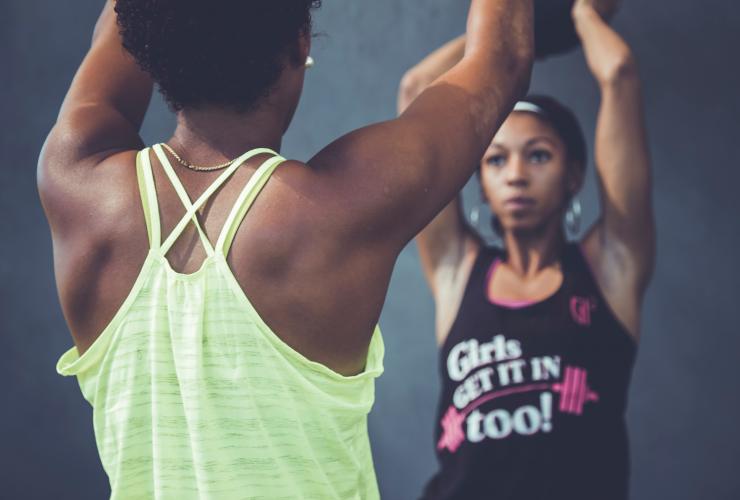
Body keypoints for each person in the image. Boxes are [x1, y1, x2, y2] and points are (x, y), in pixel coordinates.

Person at [37, 0, 533, 498]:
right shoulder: (337, 209)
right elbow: (502, 58)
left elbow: (119, 22)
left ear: (147, 48)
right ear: (301, 42)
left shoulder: (77, 185)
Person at [398, 1, 654, 499]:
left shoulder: (610, 267)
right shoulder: (457, 269)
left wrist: (581, 14)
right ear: (479, 181)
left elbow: (619, 71)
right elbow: (416, 90)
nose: (516, 174)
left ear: (574, 175)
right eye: (495, 160)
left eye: (538, 155)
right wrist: (512, 33)